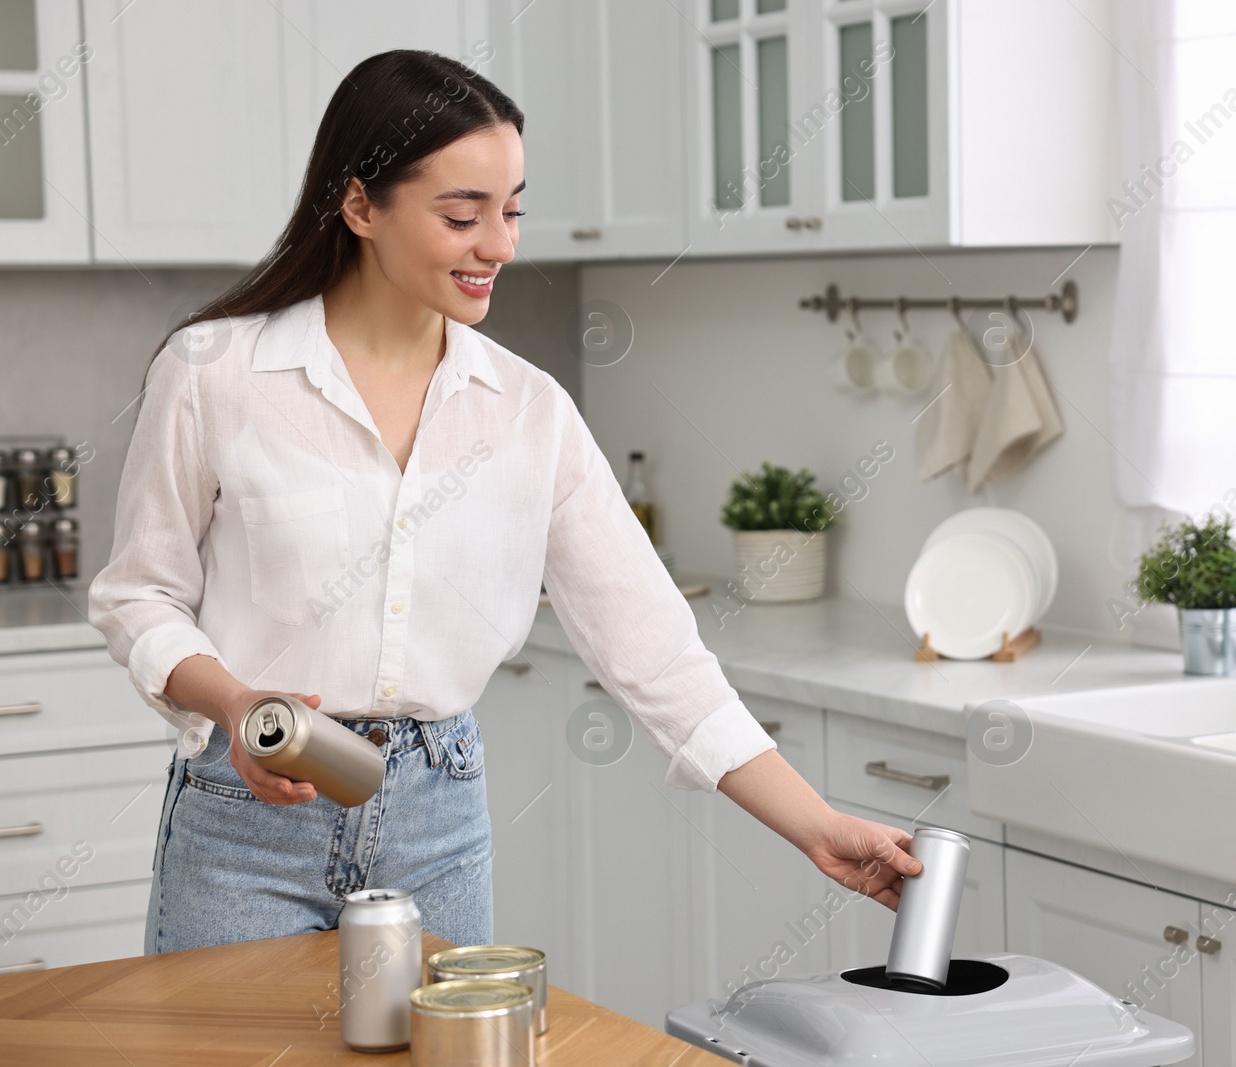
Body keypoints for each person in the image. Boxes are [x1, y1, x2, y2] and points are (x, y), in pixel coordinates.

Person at [87, 49, 919, 955]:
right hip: (246, 815)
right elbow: (140, 595)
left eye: (512, 210)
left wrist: (815, 825)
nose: (500, 245)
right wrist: (241, 703)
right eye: (462, 214)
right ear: (360, 204)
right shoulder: (218, 373)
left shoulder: (530, 413)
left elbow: (660, 655)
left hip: (436, 827)